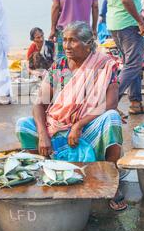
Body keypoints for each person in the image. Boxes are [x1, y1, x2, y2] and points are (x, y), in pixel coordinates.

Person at [16, 22, 126, 211]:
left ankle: (110, 181)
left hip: (87, 128)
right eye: (64, 40)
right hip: (57, 128)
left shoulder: (105, 65)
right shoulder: (59, 66)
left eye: (72, 41)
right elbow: (39, 103)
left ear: (88, 43)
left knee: (112, 118)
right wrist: (42, 135)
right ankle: (40, 172)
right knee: (23, 125)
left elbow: (110, 104)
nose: (66, 46)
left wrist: (79, 125)